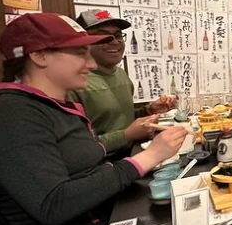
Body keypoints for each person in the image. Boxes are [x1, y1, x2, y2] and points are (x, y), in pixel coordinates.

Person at [0, 13, 187, 225]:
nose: (91, 64)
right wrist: (146, 158)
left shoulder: (56, 105)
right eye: (80, 52)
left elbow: (90, 159)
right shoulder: (6, 114)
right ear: (39, 55)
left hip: (94, 224)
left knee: (180, 223)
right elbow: (54, 204)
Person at [69, 9, 176, 155]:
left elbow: (120, 119)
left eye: (118, 35)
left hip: (133, 154)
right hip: (103, 163)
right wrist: (127, 135)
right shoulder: (73, 82)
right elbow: (78, 148)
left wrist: (148, 110)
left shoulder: (120, 74)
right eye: (103, 36)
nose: (114, 42)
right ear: (83, 41)